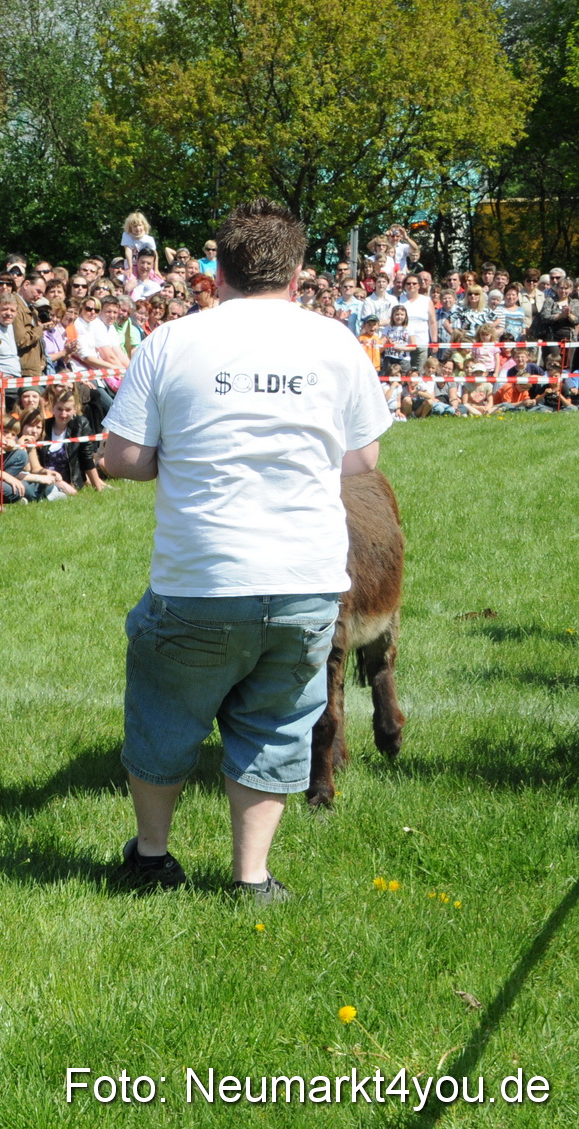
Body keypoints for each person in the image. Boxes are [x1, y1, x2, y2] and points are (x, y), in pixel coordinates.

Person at [101, 198, 392, 903]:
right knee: (275, 724)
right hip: (306, 577)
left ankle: (150, 858)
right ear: (295, 273)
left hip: (199, 576)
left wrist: (178, 455)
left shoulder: (171, 341)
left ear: (217, 272)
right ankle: (251, 877)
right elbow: (363, 459)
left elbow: (121, 458)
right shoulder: (334, 342)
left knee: (165, 714)